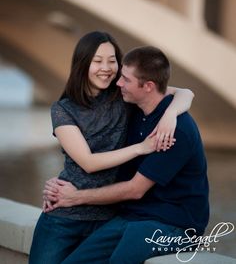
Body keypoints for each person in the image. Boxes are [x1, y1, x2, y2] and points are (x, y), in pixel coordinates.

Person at [29, 32, 194, 264]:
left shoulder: (123, 94)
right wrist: (141, 148)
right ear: (82, 63)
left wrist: (170, 114)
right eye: (97, 61)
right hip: (65, 214)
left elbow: (185, 93)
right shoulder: (63, 109)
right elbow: (88, 162)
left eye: (112, 60)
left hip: (109, 216)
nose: (106, 68)